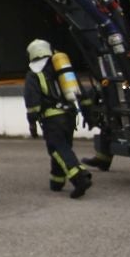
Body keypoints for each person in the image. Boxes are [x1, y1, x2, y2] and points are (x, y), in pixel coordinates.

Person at [23, 41, 92, 199]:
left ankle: (80, 178)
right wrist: (88, 114)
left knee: (57, 149)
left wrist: (32, 122)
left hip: (52, 118)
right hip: (70, 116)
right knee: (63, 147)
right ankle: (57, 181)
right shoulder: (62, 69)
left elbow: (32, 103)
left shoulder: (34, 73)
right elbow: (81, 93)